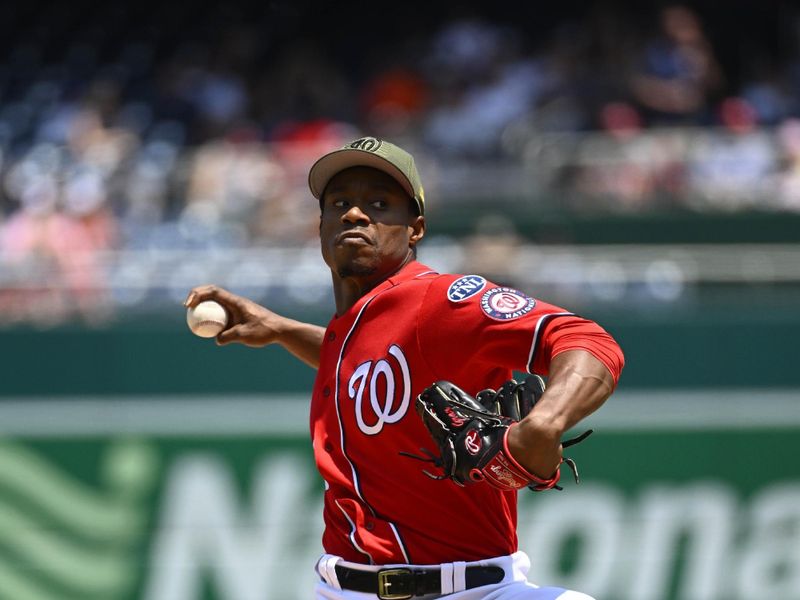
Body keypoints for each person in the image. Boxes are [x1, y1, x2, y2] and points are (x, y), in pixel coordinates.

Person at [185, 136, 624, 599]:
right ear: (321, 228)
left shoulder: (439, 301)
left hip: (472, 589)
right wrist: (281, 329)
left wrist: (544, 423)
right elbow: (359, 366)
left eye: (379, 203)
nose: (355, 214)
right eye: (340, 203)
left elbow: (588, 340)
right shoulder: (352, 327)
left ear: (415, 229)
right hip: (342, 590)